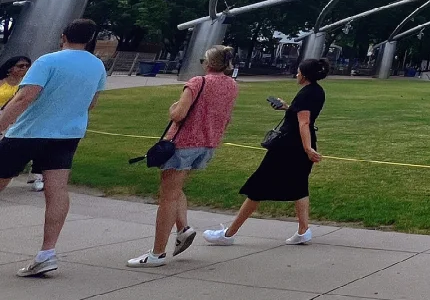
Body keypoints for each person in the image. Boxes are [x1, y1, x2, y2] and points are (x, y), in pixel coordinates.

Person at [0, 19, 108, 277]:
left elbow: (25, 97)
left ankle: (46, 255)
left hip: (28, 132)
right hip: (68, 134)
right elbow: (91, 103)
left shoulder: (48, 61)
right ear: (90, 39)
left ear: (63, 36)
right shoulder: (97, 65)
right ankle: (47, 253)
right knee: (57, 190)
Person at [127, 46, 240, 268]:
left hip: (183, 142)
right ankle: (183, 228)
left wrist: (172, 108)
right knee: (176, 188)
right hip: (207, 143)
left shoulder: (198, 82)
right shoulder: (232, 85)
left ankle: (157, 253)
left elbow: (179, 114)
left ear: (208, 63)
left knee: (167, 196)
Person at [205, 57, 326, 247]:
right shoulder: (317, 92)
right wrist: (287, 108)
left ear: (304, 75)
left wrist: (307, 149)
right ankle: (303, 230)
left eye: (298, 71)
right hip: (297, 145)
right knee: (299, 185)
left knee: (258, 187)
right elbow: (302, 115)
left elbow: (304, 122)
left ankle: (228, 234)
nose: (296, 74)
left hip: (288, 147)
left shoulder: (305, 94)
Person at [0, 57, 44, 193]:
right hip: (3, 115)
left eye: (27, 66)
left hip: (22, 119)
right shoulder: (2, 82)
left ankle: (37, 177)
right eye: (20, 66)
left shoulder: (30, 83)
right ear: (10, 68)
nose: (24, 68)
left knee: (30, 147)